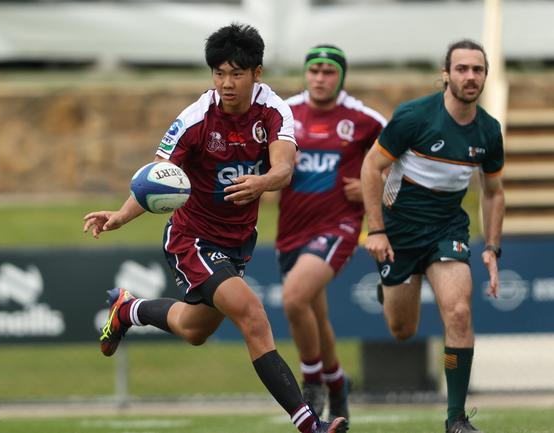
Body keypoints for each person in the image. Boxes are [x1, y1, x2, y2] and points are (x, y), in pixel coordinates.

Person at [83, 24, 347, 433]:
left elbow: (283, 166)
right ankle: (309, 424)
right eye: (219, 73)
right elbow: (158, 178)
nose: (226, 83)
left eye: (236, 74)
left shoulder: (275, 111)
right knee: (253, 315)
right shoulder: (195, 119)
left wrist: (263, 182)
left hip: (237, 242)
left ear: (257, 73)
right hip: (192, 238)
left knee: (193, 329)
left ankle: (128, 309)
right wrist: (119, 215)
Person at [360, 39, 505, 433]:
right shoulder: (414, 117)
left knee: (459, 312)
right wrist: (376, 230)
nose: (470, 76)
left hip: (447, 229)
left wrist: (492, 247)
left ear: (485, 76)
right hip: (399, 233)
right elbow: (371, 169)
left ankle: (456, 418)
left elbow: (493, 192)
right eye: (462, 69)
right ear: (446, 75)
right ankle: (389, 287)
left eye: (478, 70)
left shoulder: (489, 131)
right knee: (402, 330)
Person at [277, 45, 386, 420]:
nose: (320, 78)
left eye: (328, 71)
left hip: (337, 226)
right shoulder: (284, 113)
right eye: (314, 71)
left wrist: (377, 187)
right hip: (291, 228)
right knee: (312, 313)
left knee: (293, 298)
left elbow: (406, 162)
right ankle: (338, 381)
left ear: (342, 76)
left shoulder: (364, 118)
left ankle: (312, 382)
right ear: (306, 74)